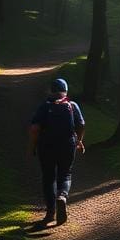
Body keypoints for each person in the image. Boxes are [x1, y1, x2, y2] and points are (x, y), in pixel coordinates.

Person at [28, 77, 85, 225]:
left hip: (46, 146)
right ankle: (62, 196)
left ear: (51, 91)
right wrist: (79, 141)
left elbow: (35, 129)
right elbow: (81, 124)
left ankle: (50, 213)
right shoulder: (72, 105)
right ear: (65, 91)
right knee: (65, 174)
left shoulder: (45, 106)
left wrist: (33, 146)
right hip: (68, 145)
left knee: (48, 177)